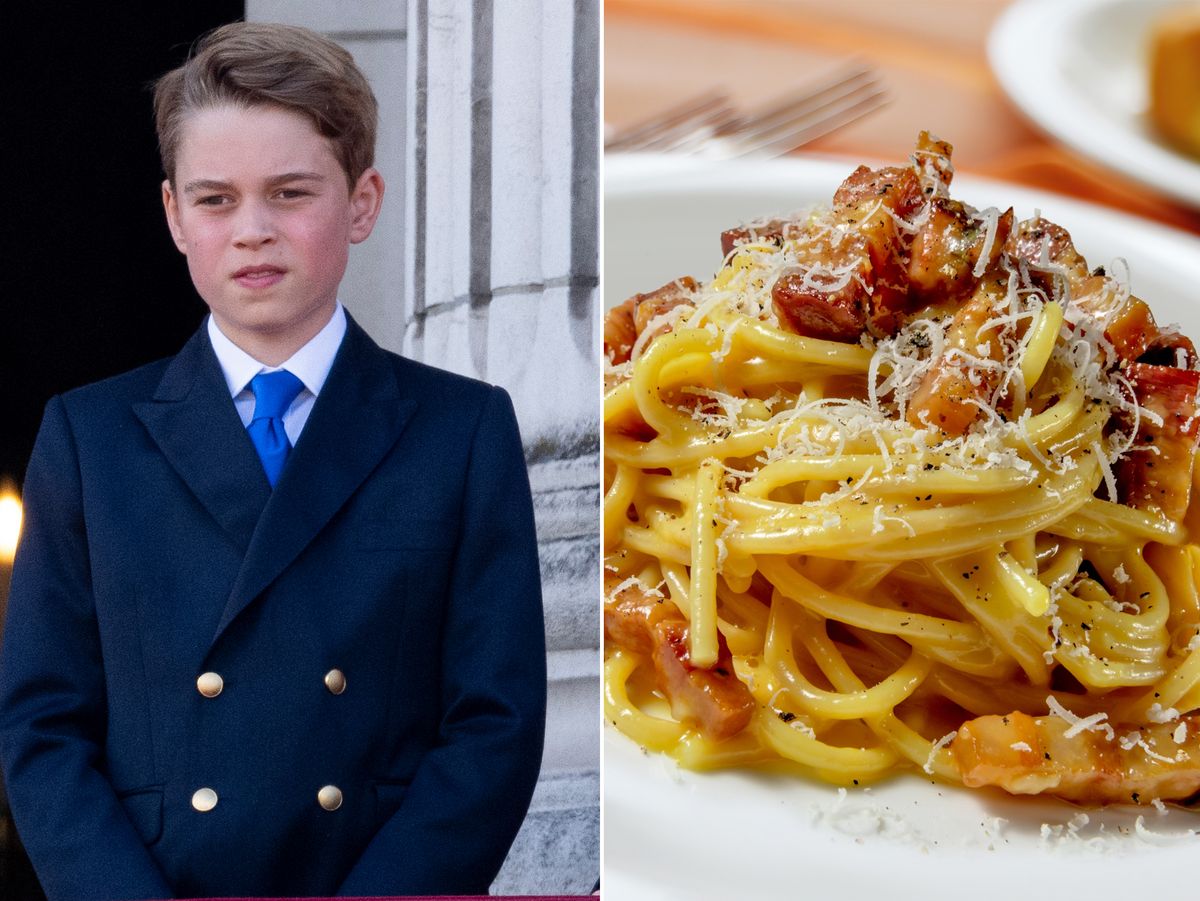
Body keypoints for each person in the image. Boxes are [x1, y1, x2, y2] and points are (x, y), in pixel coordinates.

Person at [0, 22, 546, 900]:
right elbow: (42, 730)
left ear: (361, 202)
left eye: (290, 193)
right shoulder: (87, 438)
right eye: (215, 199)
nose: (252, 230)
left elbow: (494, 724)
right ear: (175, 215)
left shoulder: (462, 431)